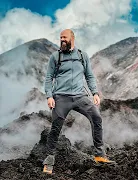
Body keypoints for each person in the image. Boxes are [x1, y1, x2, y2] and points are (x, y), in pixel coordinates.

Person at [43, 29, 115, 174]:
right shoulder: (55, 57)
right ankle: (49, 162)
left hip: (80, 97)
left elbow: (89, 76)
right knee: (56, 128)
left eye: (64, 37)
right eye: (60, 37)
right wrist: (49, 96)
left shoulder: (82, 56)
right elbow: (49, 77)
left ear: (72, 38)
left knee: (96, 118)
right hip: (61, 97)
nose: (62, 40)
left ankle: (100, 155)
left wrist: (95, 93)